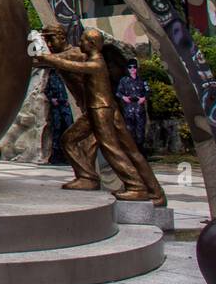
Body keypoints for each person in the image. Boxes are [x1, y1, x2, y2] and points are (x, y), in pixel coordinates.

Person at [34, 28, 165, 205]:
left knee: (111, 148)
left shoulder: (91, 60)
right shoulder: (85, 57)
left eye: (83, 41)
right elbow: (57, 63)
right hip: (99, 109)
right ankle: (154, 193)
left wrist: (46, 58)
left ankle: (136, 187)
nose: (80, 44)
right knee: (73, 141)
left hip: (101, 109)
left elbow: (70, 64)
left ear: (92, 44)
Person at [116, 59, 150, 148]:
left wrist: (143, 98)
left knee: (140, 132)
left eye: (134, 67)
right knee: (130, 132)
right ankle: (133, 152)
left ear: (137, 68)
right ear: (127, 69)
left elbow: (148, 91)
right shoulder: (124, 80)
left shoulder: (142, 80)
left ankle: (141, 151)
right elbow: (118, 92)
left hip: (139, 110)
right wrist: (124, 97)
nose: (132, 69)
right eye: (130, 67)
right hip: (128, 110)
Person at [44, 69, 75, 164]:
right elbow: (46, 90)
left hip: (65, 105)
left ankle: (69, 156)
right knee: (57, 129)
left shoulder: (66, 77)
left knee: (69, 127)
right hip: (57, 107)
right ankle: (56, 157)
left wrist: (68, 100)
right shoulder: (52, 77)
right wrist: (52, 99)